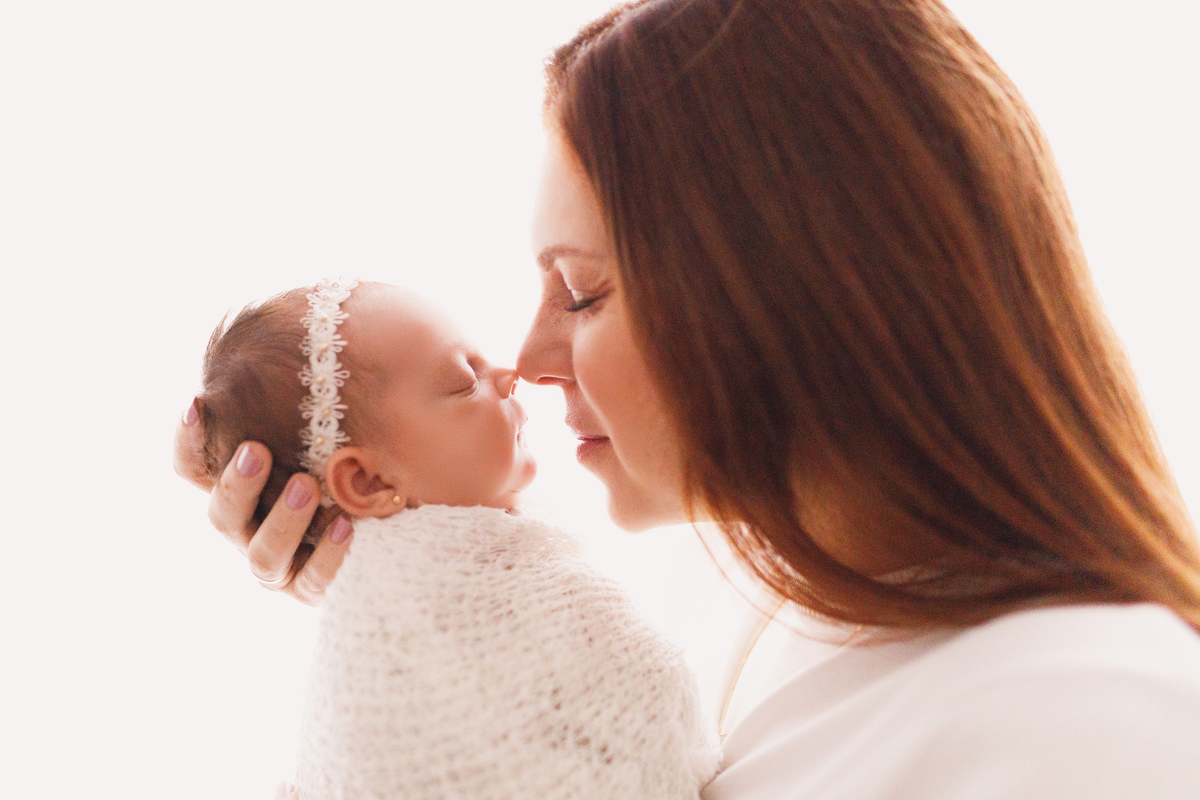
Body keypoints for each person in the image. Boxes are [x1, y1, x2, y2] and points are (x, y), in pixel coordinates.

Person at [175, 0, 1200, 797]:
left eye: (580, 291)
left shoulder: (1098, 721)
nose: (527, 358)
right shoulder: (751, 598)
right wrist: (397, 615)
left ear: (785, 285)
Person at [192, 279, 718, 799]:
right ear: (368, 481)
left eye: (582, 294)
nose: (513, 373)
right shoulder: (402, 643)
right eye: (466, 380)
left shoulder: (518, 566)